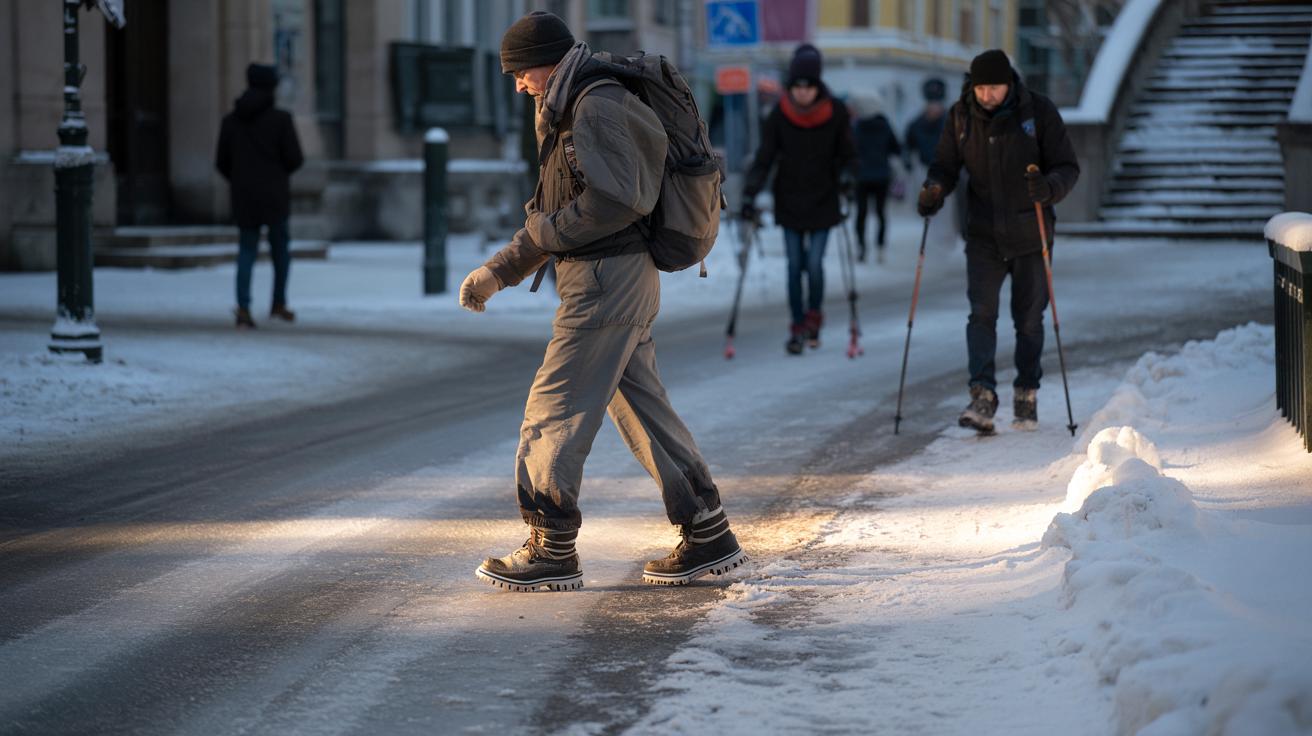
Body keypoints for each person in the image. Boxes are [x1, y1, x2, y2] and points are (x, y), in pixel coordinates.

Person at [459, 11, 745, 592]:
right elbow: (555, 209)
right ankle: (708, 532)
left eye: (520, 73)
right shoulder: (569, 105)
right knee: (641, 409)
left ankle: (551, 547)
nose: (518, 86)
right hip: (609, 278)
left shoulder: (596, 105)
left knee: (556, 405)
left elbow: (618, 201)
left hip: (606, 280)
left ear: (545, 64)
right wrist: (501, 270)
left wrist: (542, 237)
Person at [916, 50, 1079, 434]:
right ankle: (982, 396)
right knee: (981, 314)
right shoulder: (962, 116)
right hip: (983, 234)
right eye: (981, 88)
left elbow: (1067, 167)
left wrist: (1048, 188)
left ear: (1009, 84)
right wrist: (934, 189)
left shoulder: (1037, 111)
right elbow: (945, 165)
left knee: (1029, 320)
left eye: (994, 88)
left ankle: (1026, 391)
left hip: (1031, 232)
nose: (987, 95)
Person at [742, 44, 856, 355]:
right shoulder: (780, 113)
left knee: (814, 265)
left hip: (823, 198)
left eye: (808, 87)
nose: (802, 92)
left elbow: (848, 153)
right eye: (797, 86)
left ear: (817, 86)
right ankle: (797, 326)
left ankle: (813, 317)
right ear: (790, 87)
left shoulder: (836, 112)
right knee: (794, 267)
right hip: (789, 199)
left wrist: (847, 177)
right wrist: (750, 192)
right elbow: (765, 157)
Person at [215, 63, 303, 329]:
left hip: (244, 195)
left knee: (246, 250)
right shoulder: (281, 120)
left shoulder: (231, 121)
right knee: (280, 251)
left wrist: (240, 179)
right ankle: (279, 302)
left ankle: (243, 307)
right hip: (275, 195)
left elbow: (221, 161)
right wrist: (276, 174)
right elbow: (295, 158)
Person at [851, 92, 901, 264]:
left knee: (861, 213)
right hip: (881, 175)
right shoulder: (885, 125)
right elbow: (896, 148)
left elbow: (850, 150)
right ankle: (880, 247)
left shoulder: (856, 126)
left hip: (862, 176)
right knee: (880, 213)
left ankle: (861, 247)